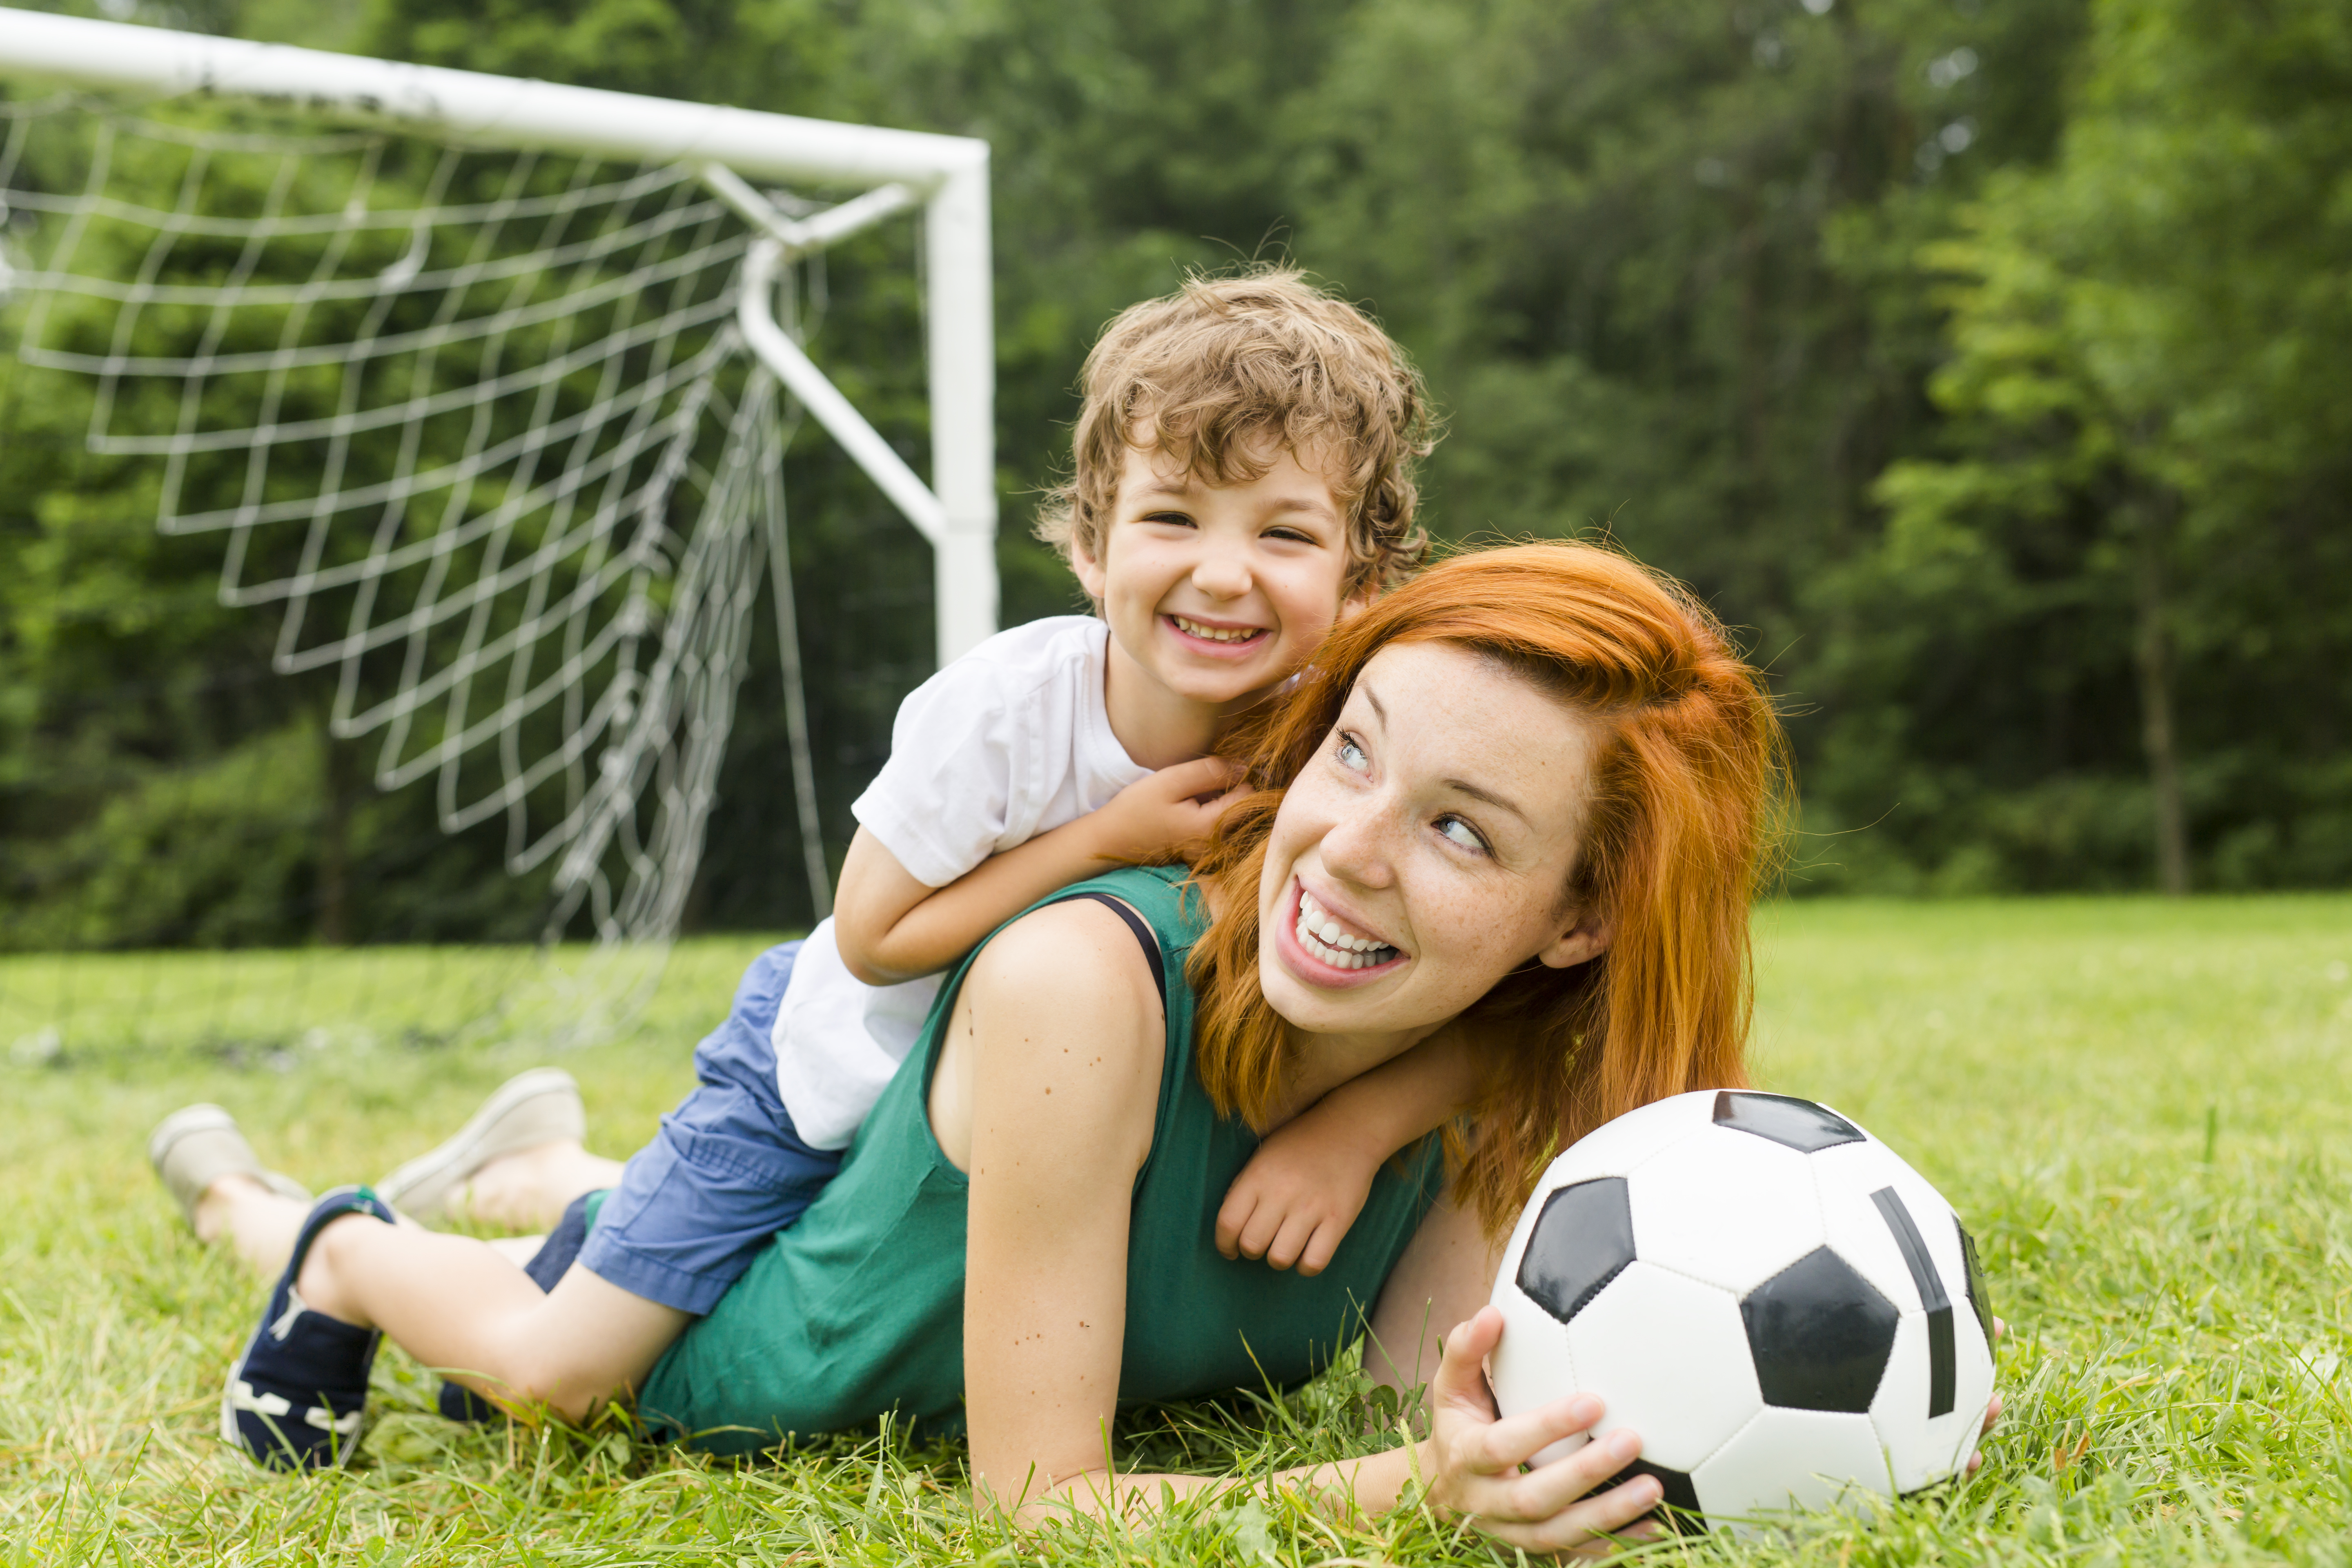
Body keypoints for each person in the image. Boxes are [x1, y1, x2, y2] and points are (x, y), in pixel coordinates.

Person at [167, 543, 2000, 1556]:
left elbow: (1446, 1385)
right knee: (543, 1344)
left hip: (932, 1215)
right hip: (752, 1352)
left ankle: (536, 1165)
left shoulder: (1509, 1081)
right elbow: (1034, 1511)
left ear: (1578, 920)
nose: (1345, 846)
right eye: (1351, 754)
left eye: (1463, 830)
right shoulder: (1081, 983)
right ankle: (302, 1227)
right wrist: (1418, 1501)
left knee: (593, 1206)